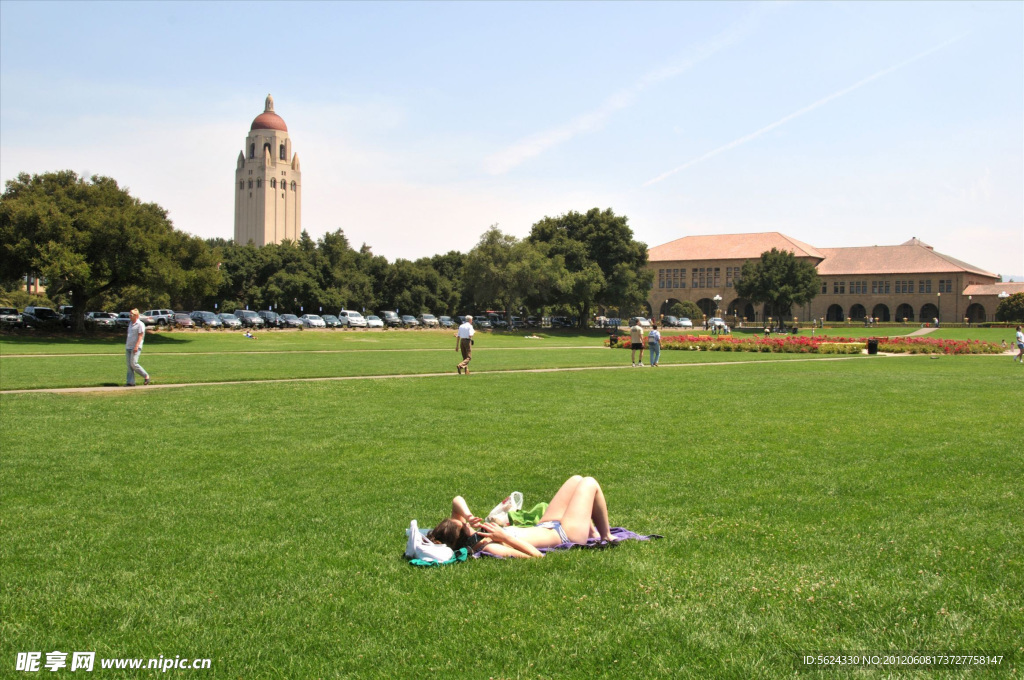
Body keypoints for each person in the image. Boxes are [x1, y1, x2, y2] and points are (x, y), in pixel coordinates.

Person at [426, 476, 616, 559]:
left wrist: (467, 515)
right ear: (464, 532)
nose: (467, 522)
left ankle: (591, 530)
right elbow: (536, 557)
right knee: (589, 483)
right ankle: (606, 536)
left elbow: (456, 500)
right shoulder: (488, 545)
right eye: (464, 523)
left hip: (547, 524)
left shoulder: (470, 534)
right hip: (565, 534)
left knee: (575, 480)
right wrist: (505, 538)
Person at [125, 308, 150, 386]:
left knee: (134, 364)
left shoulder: (140, 324)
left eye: (131, 315)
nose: (130, 316)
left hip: (135, 347)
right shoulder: (130, 323)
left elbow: (140, 336)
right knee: (129, 366)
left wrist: (136, 346)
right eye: (129, 315)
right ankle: (130, 382)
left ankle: (146, 375)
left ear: (136, 316)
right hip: (128, 346)